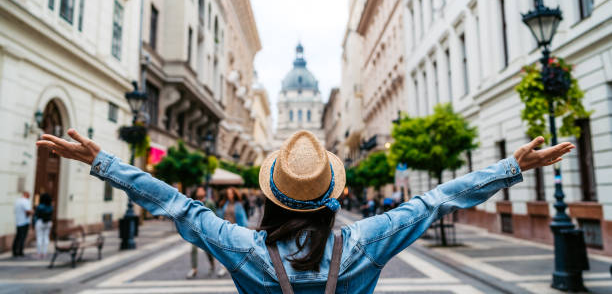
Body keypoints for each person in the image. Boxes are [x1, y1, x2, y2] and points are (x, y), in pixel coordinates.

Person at [37, 129, 573, 294]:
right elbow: (434, 200)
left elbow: (177, 204)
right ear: (332, 196)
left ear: (269, 195)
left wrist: (103, 163)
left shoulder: (245, 248)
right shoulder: (365, 242)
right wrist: (509, 168)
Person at [216, 186, 248, 277]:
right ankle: (223, 268)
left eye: (231, 193)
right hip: (225, 230)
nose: (230, 195)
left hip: (235, 231)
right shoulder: (224, 203)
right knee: (223, 250)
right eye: (228, 193)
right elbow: (221, 216)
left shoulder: (238, 205)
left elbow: (243, 219)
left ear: (234, 194)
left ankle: (238, 268)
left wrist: (243, 231)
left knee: (235, 250)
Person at [186, 186, 217, 279]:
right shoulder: (193, 202)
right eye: (199, 190)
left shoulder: (209, 202)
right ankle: (194, 269)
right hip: (195, 229)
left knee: (208, 250)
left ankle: (212, 264)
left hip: (206, 230)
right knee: (193, 249)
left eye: (202, 190)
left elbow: (214, 216)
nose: (200, 191)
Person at [12, 191, 33, 257]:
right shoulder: (25, 201)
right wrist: (33, 212)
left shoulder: (17, 201)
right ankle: (20, 251)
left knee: (18, 236)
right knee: (22, 237)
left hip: (18, 221)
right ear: (27, 195)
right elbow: (28, 211)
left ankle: (14, 250)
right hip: (24, 221)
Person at [33, 193, 53, 259]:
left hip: (40, 222)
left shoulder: (40, 206)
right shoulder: (50, 207)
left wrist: (34, 223)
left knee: (39, 237)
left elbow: (36, 215)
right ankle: (44, 253)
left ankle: (39, 253)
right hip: (48, 223)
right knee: (46, 237)